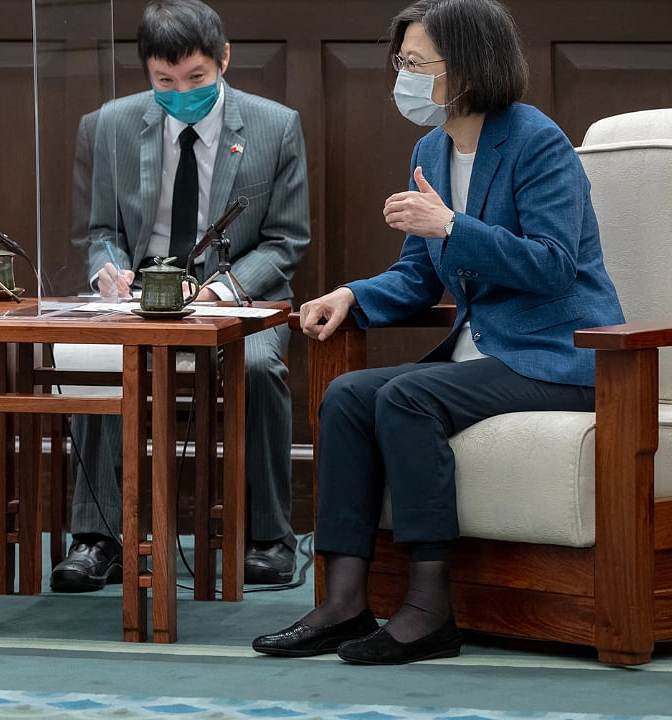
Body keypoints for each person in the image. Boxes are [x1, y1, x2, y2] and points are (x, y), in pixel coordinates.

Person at [252, 0, 623, 664]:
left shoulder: (537, 143)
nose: (403, 77)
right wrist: (350, 295)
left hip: (561, 357)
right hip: (485, 358)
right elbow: (420, 276)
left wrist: (452, 225)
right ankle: (341, 602)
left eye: (416, 64)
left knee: (407, 395)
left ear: (469, 70)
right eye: (401, 62)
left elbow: (552, 265)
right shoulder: (431, 147)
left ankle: (427, 610)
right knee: (345, 397)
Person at [51, 0, 310, 592]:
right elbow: (102, 234)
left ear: (223, 59)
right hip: (139, 295)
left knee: (260, 364)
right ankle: (98, 537)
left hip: (237, 292)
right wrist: (108, 273)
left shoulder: (274, 125)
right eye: (164, 82)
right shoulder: (110, 125)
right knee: (91, 358)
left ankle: (269, 536)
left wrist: (218, 292)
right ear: (146, 72)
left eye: (196, 78)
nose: (181, 92)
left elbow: (286, 240)